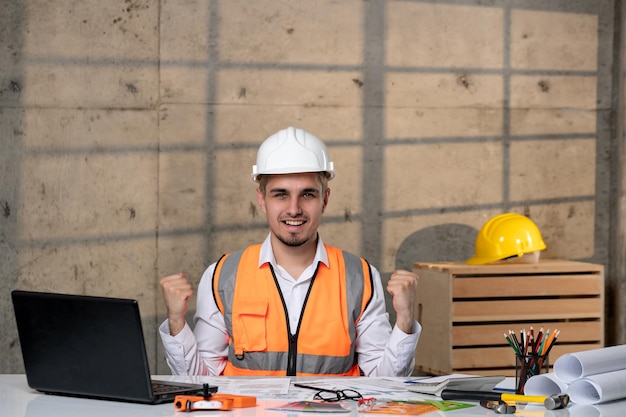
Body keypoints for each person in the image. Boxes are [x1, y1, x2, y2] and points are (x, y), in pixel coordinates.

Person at [159, 126, 421, 376]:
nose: (294, 209)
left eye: (307, 195)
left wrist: (405, 320)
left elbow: (384, 384)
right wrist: (176, 322)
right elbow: (201, 382)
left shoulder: (360, 276)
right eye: (280, 194)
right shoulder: (223, 275)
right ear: (262, 200)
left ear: (325, 199)